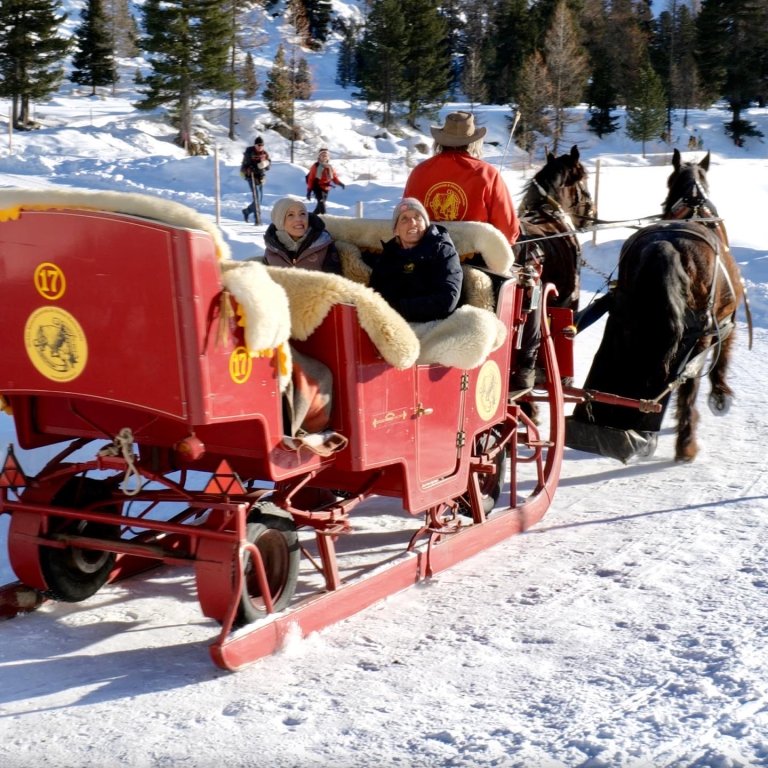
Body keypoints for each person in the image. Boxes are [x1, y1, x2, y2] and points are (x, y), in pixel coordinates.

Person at [403, 111, 535, 392]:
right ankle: (521, 367)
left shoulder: (420, 172)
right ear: (473, 143)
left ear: (441, 141)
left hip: (419, 266)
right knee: (527, 289)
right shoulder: (487, 174)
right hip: (470, 271)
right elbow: (508, 233)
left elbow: (406, 218)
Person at [364, 198, 463, 323]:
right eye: (404, 219)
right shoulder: (389, 255)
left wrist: (399, 308)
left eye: (418, 217)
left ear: (426, 224)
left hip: (435, 326)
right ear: (396, 230)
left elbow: (448, 299)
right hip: (392, 325)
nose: (412, 222)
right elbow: (375, 295)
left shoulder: (442, 251)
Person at [263, 196, 342, 273]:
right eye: (290, 215)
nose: (299, 219)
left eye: (302, 214)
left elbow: (334, 282)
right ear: (279, 221)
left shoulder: (324, 246)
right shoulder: (271, 250)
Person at [240, 136, 271, 224]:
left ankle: (247, 211)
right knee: (256, 198)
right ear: (255, 145)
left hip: (260, 177)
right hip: (251, 176)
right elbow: (246, 165)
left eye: (262, 145)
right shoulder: (249, 152)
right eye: (258, 145)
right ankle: (257, 219)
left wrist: (266, 164)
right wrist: (253, 168)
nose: (260, 146)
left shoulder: (264, 153)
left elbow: (269, 164)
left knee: (259, 199)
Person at [305, 148, 345, 216]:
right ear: (319, 157)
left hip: (325, 188)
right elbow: (311, 179)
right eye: (322, 155)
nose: (324, 157)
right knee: (321, 203)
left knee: (319, 207)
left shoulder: (329, 167)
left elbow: (334, 177)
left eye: (325, 155)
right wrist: (309, 191)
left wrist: (340, 183)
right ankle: (326, 220)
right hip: (317, 186)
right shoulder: (315, 166)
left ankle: (310, 219)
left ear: (328, 157)